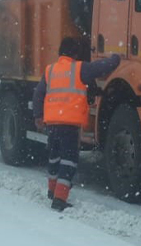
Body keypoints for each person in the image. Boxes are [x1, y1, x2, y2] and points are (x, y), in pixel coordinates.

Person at [32, 38, 122, 211]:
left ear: (60, 52)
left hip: (52, 122)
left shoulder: (50, 70)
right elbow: (102, 67)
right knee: (69, 161)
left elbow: (38, 94)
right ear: (75, 53)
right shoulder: (80, 68)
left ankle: (52, 190)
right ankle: (59, 199)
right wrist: (117, 59)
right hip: (69, 124)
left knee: (54, 156)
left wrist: (38, 115)